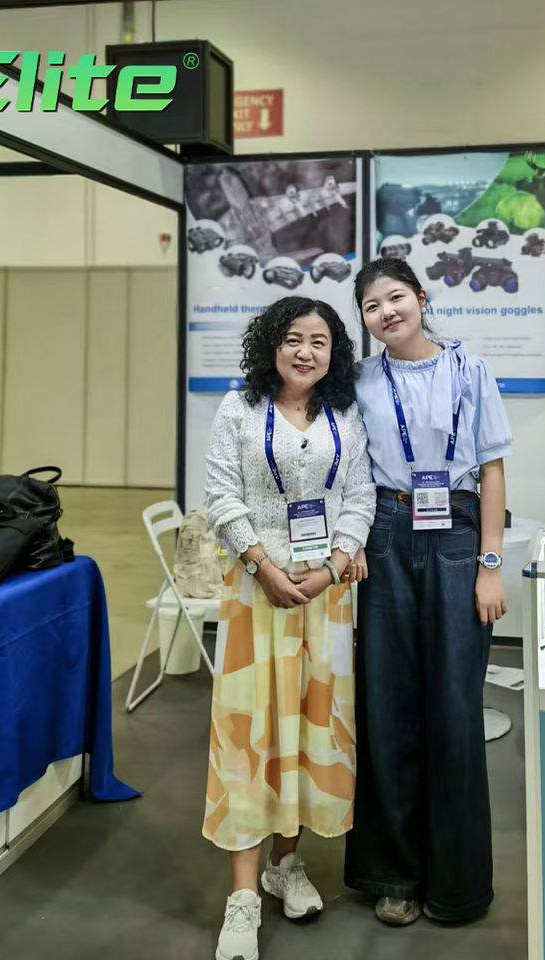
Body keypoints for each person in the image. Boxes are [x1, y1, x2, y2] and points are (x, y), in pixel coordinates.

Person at [202, 296, 375, 960]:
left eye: (320, 341)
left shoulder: (344, 414)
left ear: (334, 353)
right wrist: (263, 565)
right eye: (294, 338)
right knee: (251, 737)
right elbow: (221, 496)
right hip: (257, 593)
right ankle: (243, 896)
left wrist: (332, 566)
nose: (306, 351)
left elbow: (359, 496)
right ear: (272, 344)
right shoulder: (238, 409)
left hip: (325, 598)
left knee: (307, 732)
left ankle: (285, 863)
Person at [342, 257, 512, 926]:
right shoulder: (360, 381)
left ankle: (456, 884)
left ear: (419, 296)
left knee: (454, 709)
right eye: (371, 306)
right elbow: (349, 469)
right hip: (385, 530)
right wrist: (351, 538)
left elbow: (492, 471)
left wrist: (490, 564)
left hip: (457, 534)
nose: (386, 312)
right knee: (387, 704)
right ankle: (394, 876)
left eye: (395, 297)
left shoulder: (470, 370)